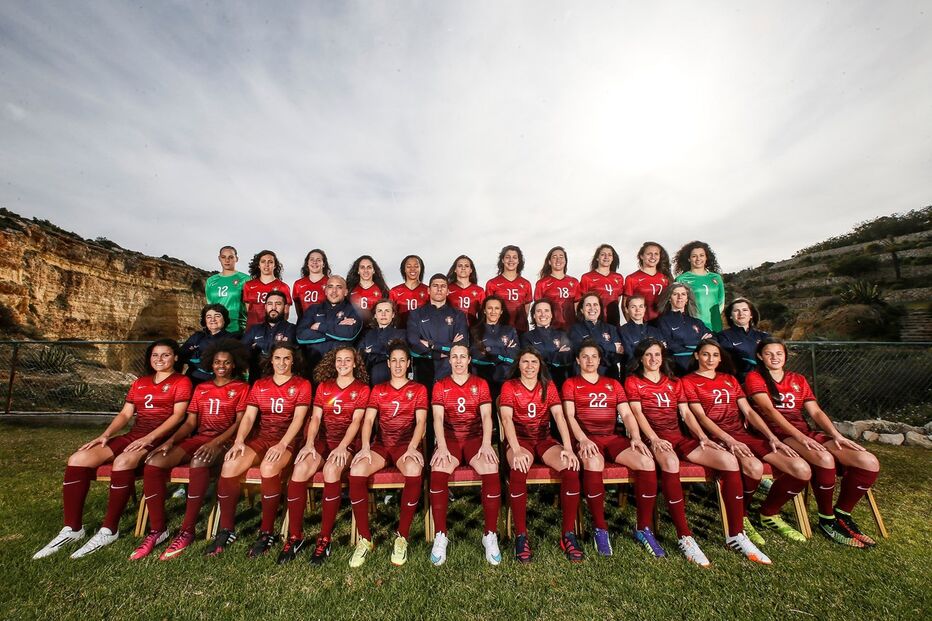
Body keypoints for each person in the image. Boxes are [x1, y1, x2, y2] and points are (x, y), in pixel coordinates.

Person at [34, 339, 192, 559]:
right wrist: (105, 435)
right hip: (134, 435)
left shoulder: (181, 381)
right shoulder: (140, 382)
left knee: (123, 461)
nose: (159, 359)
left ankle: (109, 529)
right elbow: (126, 414)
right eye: (155, 355)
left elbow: (177, 416)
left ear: (175, 357)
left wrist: (149, 438)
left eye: (165, 355)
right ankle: (72, 529)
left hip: (159, 438)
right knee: (78, 458)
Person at [625, 338, 770, 566]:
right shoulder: (633, 382)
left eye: (657, 355)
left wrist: (702, 437)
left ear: (663, 358)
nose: (653, 359)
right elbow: (637, 413)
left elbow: (687, 414)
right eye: (648, 355)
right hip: (652, 437)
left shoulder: (674, 382)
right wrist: (653, 438)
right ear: (641, 358)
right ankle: (685, 536)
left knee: (728, 460)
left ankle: (735, 533)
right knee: (671, 463)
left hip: (679, 436)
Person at [745, 338, 881, 548]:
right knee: (823, 457)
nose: (774, 357)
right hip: (777, 433)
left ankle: (842, 514)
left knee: (868, 461)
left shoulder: (797, 379)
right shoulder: (755, 377)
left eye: (779, 353)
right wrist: (801, 438)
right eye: (769, 353)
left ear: (785, 356)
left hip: (803, 431)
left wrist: (837, 435)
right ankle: (826, 519)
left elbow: (815, 411)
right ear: (760, 356)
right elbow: (770, 412)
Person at [683, 339, 811, 546]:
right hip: (717, 437)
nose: (710, 359)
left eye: (715, 355)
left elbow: (749, 411)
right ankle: (741, 516)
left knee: (801, 469)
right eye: (705, 354)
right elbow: (701, 417)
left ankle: (769, 513)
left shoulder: (730, 379)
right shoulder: (688, 381)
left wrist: (771, 437)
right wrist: (729, 439)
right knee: (754, 466)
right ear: (697, 356)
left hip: (743, 434)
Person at [132, 340, 251, 560]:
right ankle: (158, 530)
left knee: (198, 462)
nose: (221, 366)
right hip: (200, 437)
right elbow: (189, 422)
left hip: (226, 441)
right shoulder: (202, 388)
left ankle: (187, 530)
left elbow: (240, 423)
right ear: (211, 364)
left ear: (234, 365)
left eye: (226, 362)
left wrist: (215, 443)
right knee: (154, 462)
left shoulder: (242, 388)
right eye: (217, 362)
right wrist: (171, 441)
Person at [206, 344, 311, 557]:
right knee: (230, 465)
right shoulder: (260, 385)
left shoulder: (302, 385)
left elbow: (299, 419)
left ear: (293, 361)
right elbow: (249, 417)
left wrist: (282, 444)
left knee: (269, 467)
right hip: (262, 438)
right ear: (270, 360)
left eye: (286, 358)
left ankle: (267, 531)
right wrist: (239, 441)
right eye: (277, 358)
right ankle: (226, 530)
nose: (282, 363)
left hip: (288, 440)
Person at [561, 341, 663, 557]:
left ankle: (643, 528)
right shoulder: (571, 383)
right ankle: (600, 527)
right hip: (587, 439)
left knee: (646, 462)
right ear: (578, 360)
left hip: (612, 438)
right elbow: (568, 415)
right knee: (593, 461)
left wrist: (635, 436)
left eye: (594, 356)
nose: (590, 361)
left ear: (600, 360)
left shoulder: (613, 384)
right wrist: (582, 439)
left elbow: (626, 414)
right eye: (585, 356)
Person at [279, 347, 371, 564]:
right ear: (333, 362)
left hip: (347, 443)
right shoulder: (324, 387)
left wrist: (342, 447)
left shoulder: (362, 389)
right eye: (339, 360)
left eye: (348, 360)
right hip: (322, 441)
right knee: (300, 467)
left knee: (331, 469)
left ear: (355, 363)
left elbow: (357, 422)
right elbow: (316, 419)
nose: (343, 364)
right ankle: (295, 535)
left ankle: (324, 538)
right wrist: (309, 444)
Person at [347, 342, 428, 568]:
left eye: (403, 360)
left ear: (408, 363)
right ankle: (365, 538)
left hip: (405, 445)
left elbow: (421, 421)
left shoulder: (418, 389)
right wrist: (364, 446)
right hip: (382, 445)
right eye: (394, 360)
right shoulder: (379, 389)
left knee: (413, 470)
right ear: (389, 363)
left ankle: (402, 536)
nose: (399, 365)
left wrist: (413, 446)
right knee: (357, 470)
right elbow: (369, 420)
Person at [499, 348, 582, 563]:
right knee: (519, 468)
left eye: (533, 362)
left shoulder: (548, 386)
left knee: (571, 468)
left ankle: (568, 535)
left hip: (543, 439)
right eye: (525, 362)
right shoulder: (510, 386)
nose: (529, 366)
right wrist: (515, 449)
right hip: (520, 440)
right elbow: (506, 420)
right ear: (519, 365)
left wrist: (568, 447)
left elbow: (559, 417)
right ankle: (521, 535)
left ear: (540, 365)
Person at [427, 344, 502, 566]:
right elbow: (437, 419)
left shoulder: (480, 384)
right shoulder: (441, 385)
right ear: (449, 360)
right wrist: (440, 446)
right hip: (449, 439)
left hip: (474, 439)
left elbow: (487, 416)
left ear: (469, 360)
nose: (458, 361)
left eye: (463, 357)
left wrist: (487, 444)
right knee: (439, 468)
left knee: (490, 467)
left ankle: (489, 534)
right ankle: (441, 534)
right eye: (454, 357)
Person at [406, 274, 469, 386]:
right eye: (435, 286)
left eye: (443, 286)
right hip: (423, 367)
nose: (439, 289)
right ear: (428, 290)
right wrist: (440, 353)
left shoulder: (458, 315)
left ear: (448, 291)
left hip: (449, 369)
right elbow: (413, 341)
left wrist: (432, 345)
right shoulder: (416, 314)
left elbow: (461, 345)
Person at [296, 276, 363, 371]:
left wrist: (320, 326)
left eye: (339, 287)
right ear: (326, 290)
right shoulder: (313, 309)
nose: (334, 291)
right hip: (314, 366)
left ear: (346, 292)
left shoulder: (353, 310)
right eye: (330, 287)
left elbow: (349, 334)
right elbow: (301, 336)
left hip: (341, 369)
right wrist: (337, 332)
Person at [653, 282, 712, 376]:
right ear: (669, 298)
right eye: (675, 294)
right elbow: (668, 345)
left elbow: (712, 338)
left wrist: (688, 345)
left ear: (687, 299)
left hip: (700, 366)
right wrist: (699, 344)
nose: (680, 297)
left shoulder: (696, 322)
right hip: (677, 367)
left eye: (683, 294)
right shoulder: (662, 321)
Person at [469, 296, 518, 400]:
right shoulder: (474, 331)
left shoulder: (510, 331)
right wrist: (504, 352)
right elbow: (475, 358)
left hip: (504, 380)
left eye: (497, 308)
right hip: (481, 380)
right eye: (490, 308)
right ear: (484, 311)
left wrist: (488, 350)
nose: (493, 311)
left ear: (501, 312)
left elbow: (514, 358)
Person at [241, 291, 297, 382]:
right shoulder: (254, 329)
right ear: (266, 306)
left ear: (285, 307)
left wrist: (259, 348)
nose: (273, 307)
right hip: (257, 381)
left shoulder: (292, 329)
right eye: (270, 304)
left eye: (278, 304)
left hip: (284, 382)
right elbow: (242, 352)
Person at [674, 241, 726, 332]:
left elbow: (721, 301)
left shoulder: (716, 278)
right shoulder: (681, 279)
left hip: (715, 325)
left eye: (701, 255)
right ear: (689, 259)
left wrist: (715, 320)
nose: (698, 259)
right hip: (693, 326)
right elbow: (678, 305)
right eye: (694, 256)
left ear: (706, 257)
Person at [520, 299, 574, 387]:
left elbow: (567, 358)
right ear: (533, 315)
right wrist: (557, 354)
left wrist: (542, 355)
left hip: (560, 381)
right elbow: (531, 360)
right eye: (539, 311)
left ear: (551, 314)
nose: (543, 314)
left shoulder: (562, 335)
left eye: (546, 310)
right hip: (536, 384)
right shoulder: (526, 337)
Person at [568, 293, 623, 378]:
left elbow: (618, 355)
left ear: (600, 308)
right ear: (582, 310)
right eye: (588, 305)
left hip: (609, 374)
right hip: (584, 376)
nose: (592, 308)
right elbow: (580, 351)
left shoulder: (611, 329)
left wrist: (592, 344)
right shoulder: (575, 329)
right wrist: (611, 347)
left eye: (595, 304)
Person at [716, 298, 770, 381]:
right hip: (737, 382)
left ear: (751, 314)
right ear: (730, 315)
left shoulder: (764, 337)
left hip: (763, 380)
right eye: (736, 311)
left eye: (745, 310)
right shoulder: (722, 336)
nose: (741, 313)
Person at [179, 304, 233, 385]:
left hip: (218, 381)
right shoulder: (197, 336)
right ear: (205, 320)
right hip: (193, 379)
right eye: (208, 317)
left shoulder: (232, 338)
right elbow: (181, 355)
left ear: (224, 319)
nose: (213, 319)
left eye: (217, 316)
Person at [485, 245, 533, 333]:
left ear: (519, 261)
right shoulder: (492, 283)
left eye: (514, 257)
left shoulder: (526, 283)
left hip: (520, 329)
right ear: (502, 260)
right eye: (507, 257)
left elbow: (526, 309)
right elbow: (488, 307)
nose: (511, 260)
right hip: (499, 329)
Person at [622, 242, 672, 323]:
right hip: (643, 324)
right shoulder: (632, 278)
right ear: (641, 256)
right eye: (649, 254)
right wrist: (633, 326)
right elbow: (625, 306)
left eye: (656, 254)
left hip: (663, 324)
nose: (653, 257)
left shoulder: (666, 277)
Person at [359, 300, 406, 386]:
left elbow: (396, 354)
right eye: (380, 311)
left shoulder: (401, 333)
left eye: (387, 311)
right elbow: (361, 354)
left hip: (391, 379)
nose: (383, 314)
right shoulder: (367, 334)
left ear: (393, 315)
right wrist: (383, 351)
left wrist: (372, 350)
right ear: (375, 315)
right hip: (367, 378)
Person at [242, 250, 292, 330]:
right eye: (263, 261)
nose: (266, 265)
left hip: (273, 330)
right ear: (258, 265)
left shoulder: (283, 287)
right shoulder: (249, 285)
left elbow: (285, 314)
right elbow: (249, 311)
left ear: (275, 265)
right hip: (252, 330)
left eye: (270, 262)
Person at [533, 246, 580, 331]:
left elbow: (578, 308)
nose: (558, 260)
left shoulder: (574, 282)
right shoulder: (542, 283)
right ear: (550, 262)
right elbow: (538, 309)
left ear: (565, 261)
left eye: (561, 257)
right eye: (554, 257)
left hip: (571, 328)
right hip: (551, 329)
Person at [205, 246, 249, 335]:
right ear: (219, 258)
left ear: (236, 259)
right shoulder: (211, 281)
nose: (227, 260)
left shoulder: (245, 279)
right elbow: (209, 307)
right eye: (223, 257)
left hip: (237, 329)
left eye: (231, 257)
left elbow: (250, 308)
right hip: (216, 329)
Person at [579, 244, 625, 325]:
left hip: (613, 320)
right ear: (597, 258)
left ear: (612, 258)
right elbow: (583, 301)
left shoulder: (619, 277)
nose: (606, 257)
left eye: (609, 255)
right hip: (595, 319)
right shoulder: (587, 277)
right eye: (603, 254)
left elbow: (617, 299)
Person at [617, 295, 663, 367]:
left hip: (655, 370)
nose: (637, 310)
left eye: (641, 306)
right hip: (633, 372)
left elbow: (662, 352)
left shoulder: (654, 330)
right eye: (633, 307)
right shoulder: (622, 331)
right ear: (626, 309)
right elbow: (629, 355)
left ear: (645, 309)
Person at [347, 255, 389, 325]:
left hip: (375, 329)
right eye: (362, 267)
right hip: (354, 328)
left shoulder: (382, 290)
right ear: (358, 271)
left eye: (369, 267)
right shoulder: (350, 289)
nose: (366, 270)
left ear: (373, 270)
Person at [389, 255, 429, 329]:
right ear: (404, 269)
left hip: (422, 332)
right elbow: (390, 315)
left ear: (421, 269)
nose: (412, 269)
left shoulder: (428, 290)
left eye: (416, 266)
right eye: (409, 266)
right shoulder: (394, 291)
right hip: (401, 332)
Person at [292, 249, 331, 322]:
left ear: (324, 264)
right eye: (312, 259)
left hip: (324, 325)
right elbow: (299, 310)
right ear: (307, 263)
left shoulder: (330, 283)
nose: (315, 262)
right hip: (304, 326)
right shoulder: (298, 284)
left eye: (318, 260)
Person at [446, 255, 486, 326]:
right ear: (455, 269)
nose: (463, 268)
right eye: (460, 266)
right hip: (451, 328)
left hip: (472, 330)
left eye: (467, 266)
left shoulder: (479, 290)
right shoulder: (447, 289)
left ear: (471, 270)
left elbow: (483, 314)